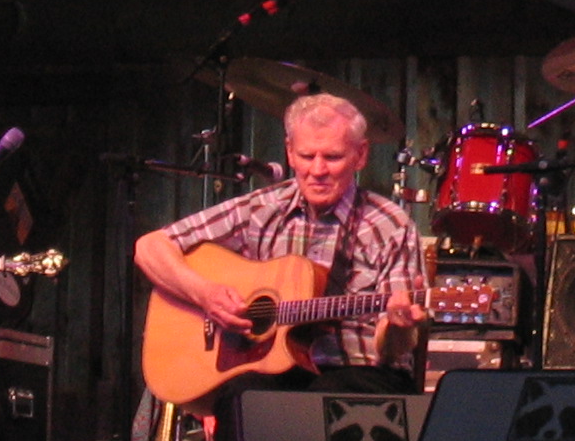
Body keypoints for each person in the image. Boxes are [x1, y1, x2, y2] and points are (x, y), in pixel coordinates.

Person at [134, 93, 427, 393]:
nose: (317, 170)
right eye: (306, 156)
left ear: (361, 154)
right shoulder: (261, 209)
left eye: (333, 157)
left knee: (328, 397)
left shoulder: (390, 225)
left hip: (359, 371)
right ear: (289, 152)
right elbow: (150, 247)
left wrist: (397, 326)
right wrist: (204, 294)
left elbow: (394, 351)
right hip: (272, 368)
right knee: (241, 395)